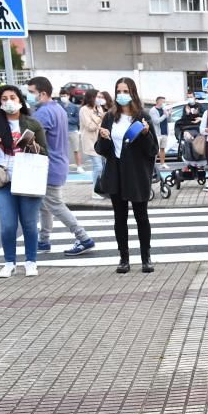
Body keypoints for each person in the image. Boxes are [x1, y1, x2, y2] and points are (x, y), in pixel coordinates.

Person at [0, 85, 48, 278]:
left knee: (29, 223)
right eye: (4, 98)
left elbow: (45, 152)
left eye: (13, 97)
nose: (9, 101)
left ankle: (31, 261)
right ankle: (9, 262)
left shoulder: (32, 123)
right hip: (3, 179)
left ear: (20, 100)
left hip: (27, 178)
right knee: (8, 224)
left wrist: (32, 144)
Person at [26, 77, 96, 257]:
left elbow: (29, 140)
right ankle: (43, 240)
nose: (29, 95)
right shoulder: (58, 109)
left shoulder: (42, 114)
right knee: (45, 205)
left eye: (31, 92)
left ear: (42, 93)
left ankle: (83, 238)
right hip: (59, 162)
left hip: (48, 165)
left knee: (54, 204)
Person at [95, 77, 159, 274]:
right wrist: (104, 138)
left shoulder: (142, 116)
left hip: (137, 173)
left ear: (133, 93)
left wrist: (146, 133)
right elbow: (101, 149)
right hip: (115, 172)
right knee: (119, 217)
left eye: (125, 91)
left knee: (141, 216)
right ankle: (124, 258)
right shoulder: (109, 117)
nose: (121, 95)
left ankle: (146, 258)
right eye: (118, 91)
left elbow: (153, 149)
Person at [79, 89, 106, 200]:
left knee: (103, 165)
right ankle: (95, 191)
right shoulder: (84, 110)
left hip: (100, 140)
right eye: (98, 96)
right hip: (90, 141)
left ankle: (102, 187)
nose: (100, 99)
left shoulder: (99, 108)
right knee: (98, 166)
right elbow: (90, 126)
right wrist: (101, 117)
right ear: (91, 97)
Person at [59, 91, 83, 173]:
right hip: (62, 131)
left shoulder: (74, 107)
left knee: (76, 149)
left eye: (64, 95)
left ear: (68, 96)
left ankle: (79, 166)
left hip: (73, 130)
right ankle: (64, 167)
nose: (63, 97)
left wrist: (67, 119)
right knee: (62, 150)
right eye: (61, 95)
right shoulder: (58, 106)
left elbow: (77, 120)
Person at [148, 96, 170, 169]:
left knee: (163, 148)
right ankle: (152, 165)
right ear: (158, 101)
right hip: (157, 133)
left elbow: (167, 119)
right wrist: (165, 115)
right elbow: (156, 121)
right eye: (163, 101)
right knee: (155, 149)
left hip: (164, 132)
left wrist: (168, 114)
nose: (164, 103)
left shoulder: (164, 109)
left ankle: (162, 163)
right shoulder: (153, 110)